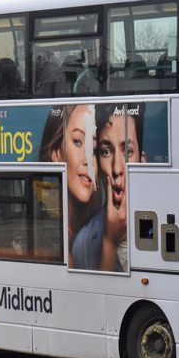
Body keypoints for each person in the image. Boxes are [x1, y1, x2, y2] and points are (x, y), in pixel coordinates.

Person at [71, 102, 147, 272]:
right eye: (106, 151)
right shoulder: (82, 244)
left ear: (142, 162)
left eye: (127, 151)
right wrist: (109, 241)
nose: (117, 169)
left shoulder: (163, 223)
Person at [38, 104, 100, 268]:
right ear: (55, 153)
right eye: (78, 142)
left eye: (93, 149)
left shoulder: (94, 229)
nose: (88, 160)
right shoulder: (46, 231)